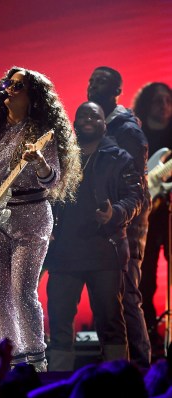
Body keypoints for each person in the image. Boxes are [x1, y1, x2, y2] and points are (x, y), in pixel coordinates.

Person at [0, 66, 82, 372]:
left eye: (18, 85)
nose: (9, 89)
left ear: (33, 96)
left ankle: (36, 362)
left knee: (21, 291)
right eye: (8, 83)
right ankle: (12, 362)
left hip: (30, 216)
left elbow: (52, 179)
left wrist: (41, 161)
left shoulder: (40, 132)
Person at [46, 101, 144, 371]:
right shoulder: (61, 157)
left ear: (104, 124)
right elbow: (44, 195)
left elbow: (136, 196)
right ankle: (59, 386)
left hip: (105, 251)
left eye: (95, 115)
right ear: (74, 123)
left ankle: (118, 383)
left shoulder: (119, 157)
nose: (88, 119)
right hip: (64, 254)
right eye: (82, 115)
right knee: (60, 323)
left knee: (111, 323)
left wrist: (116, 213)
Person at [87, 66, 152, 369]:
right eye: (91, 81)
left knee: (126, 297)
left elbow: (136, 190)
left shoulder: (126, 131)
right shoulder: (98, 128)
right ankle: (116, 368)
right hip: (107, 225)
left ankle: (139, 370)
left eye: (101, 83)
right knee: (110, 300)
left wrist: (121, 219)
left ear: (117, 91)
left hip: (126, 225)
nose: (92, 87)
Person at [132, 82, 172, 350]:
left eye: (168, 100)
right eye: (158, 100)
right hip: (141, 216)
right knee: (143, 276)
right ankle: (147, 335)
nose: (164, 105)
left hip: (168, 214)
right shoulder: (135, 133)